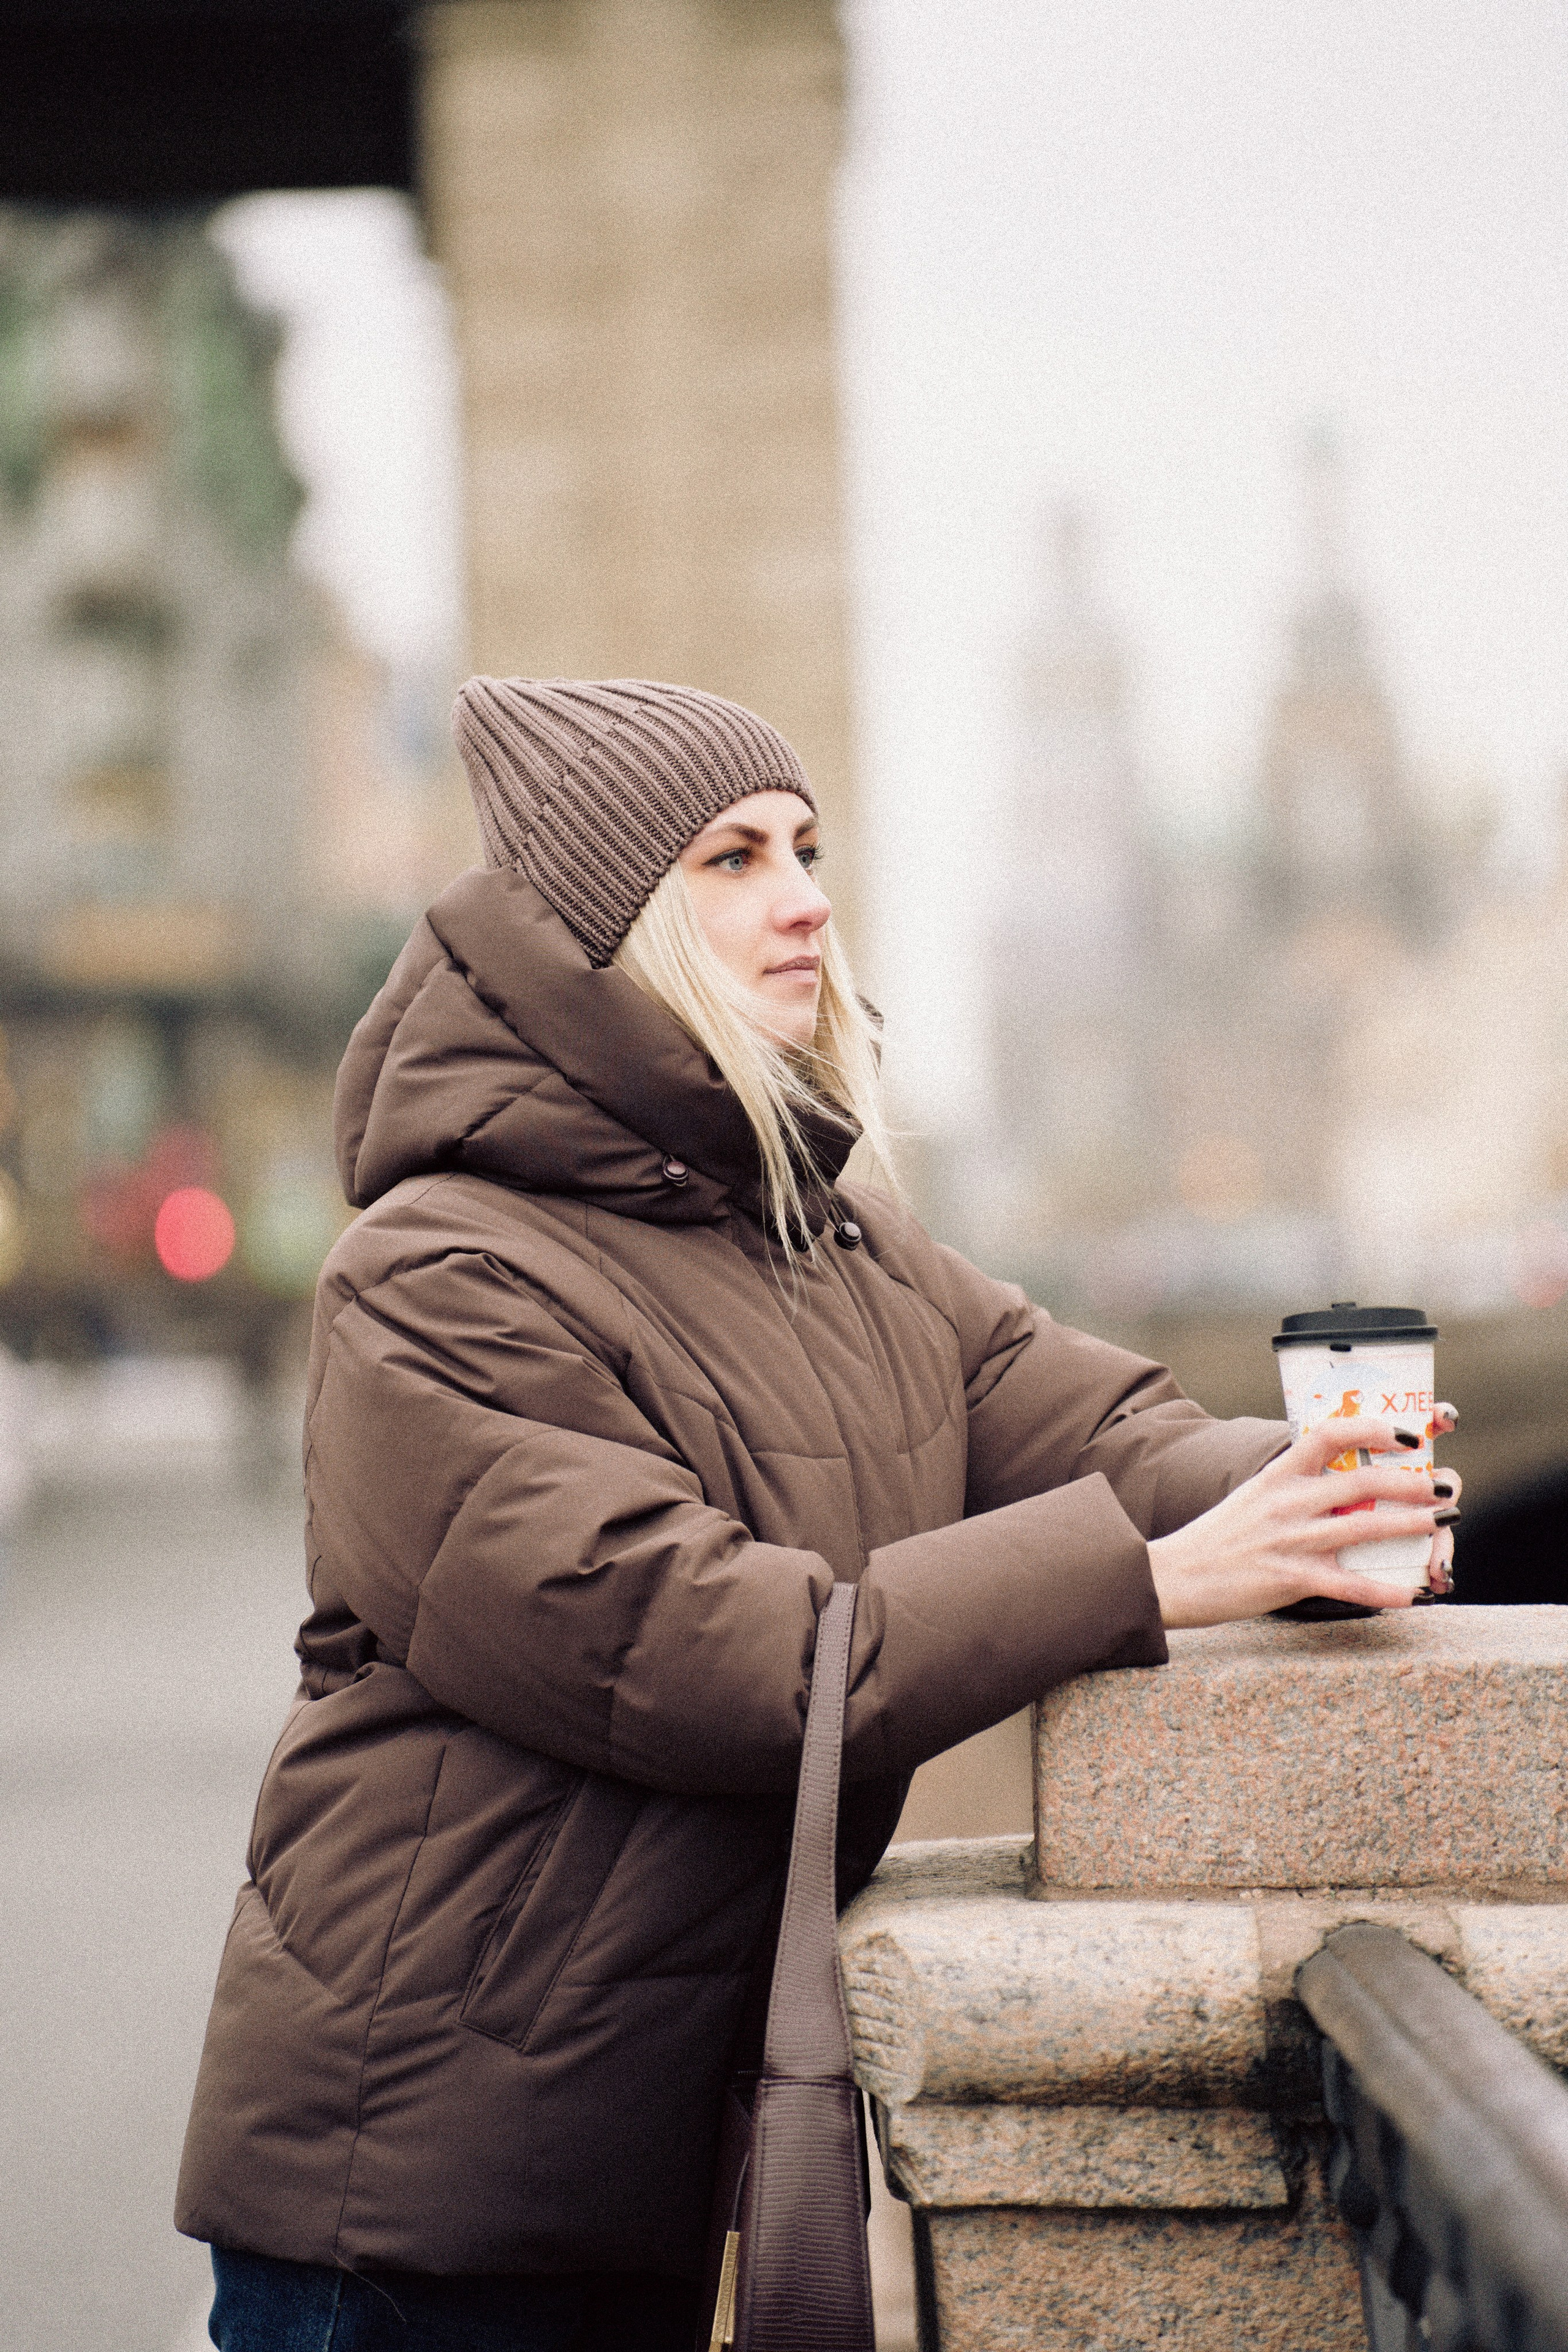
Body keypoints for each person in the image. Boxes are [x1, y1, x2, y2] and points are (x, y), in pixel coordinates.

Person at [176, 677, 1458, 2351]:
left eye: (807, 847)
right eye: (732, 858)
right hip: (416, 2195)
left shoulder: (830, 1238)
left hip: (630, 2158)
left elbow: (1096, 1424)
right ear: (607, 929)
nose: (806, 897)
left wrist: (1308, 1486)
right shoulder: (429, 1281)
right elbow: (712, 1651)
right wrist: (1150, 1581)